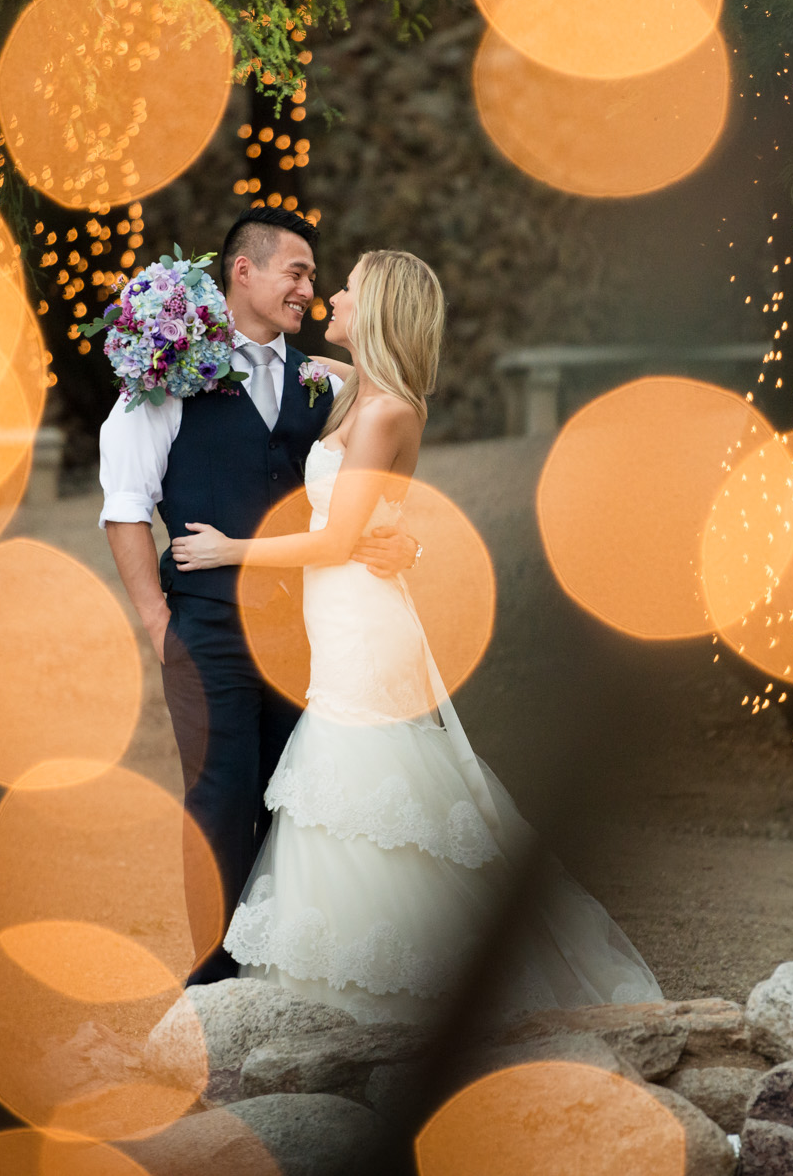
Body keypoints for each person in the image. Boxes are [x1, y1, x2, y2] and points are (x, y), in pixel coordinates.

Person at [169, 249, 662, 1022]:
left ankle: (399, 992)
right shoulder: (346, 392)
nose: (331, 295)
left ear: (381, 309)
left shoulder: (390, 407)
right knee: (345, 795)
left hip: (365, 628)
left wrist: (230, 550)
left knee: (361, 783)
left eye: (349, 290)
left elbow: (337, 543)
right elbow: (375, 514)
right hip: (341, 619)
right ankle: (342, 986)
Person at [101, 206, 417, 986]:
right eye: (297, 272)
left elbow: (378, 483)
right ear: (243, 270)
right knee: (220, 794)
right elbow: (125, 503)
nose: (309, 289)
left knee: (299, 801)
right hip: (205, 624)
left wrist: (402, 541)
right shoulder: (172, 373)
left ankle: (285, 975)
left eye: (315, 278)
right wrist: (156, 622)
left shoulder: (327, 382)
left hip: (309, 630)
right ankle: (215, 980)